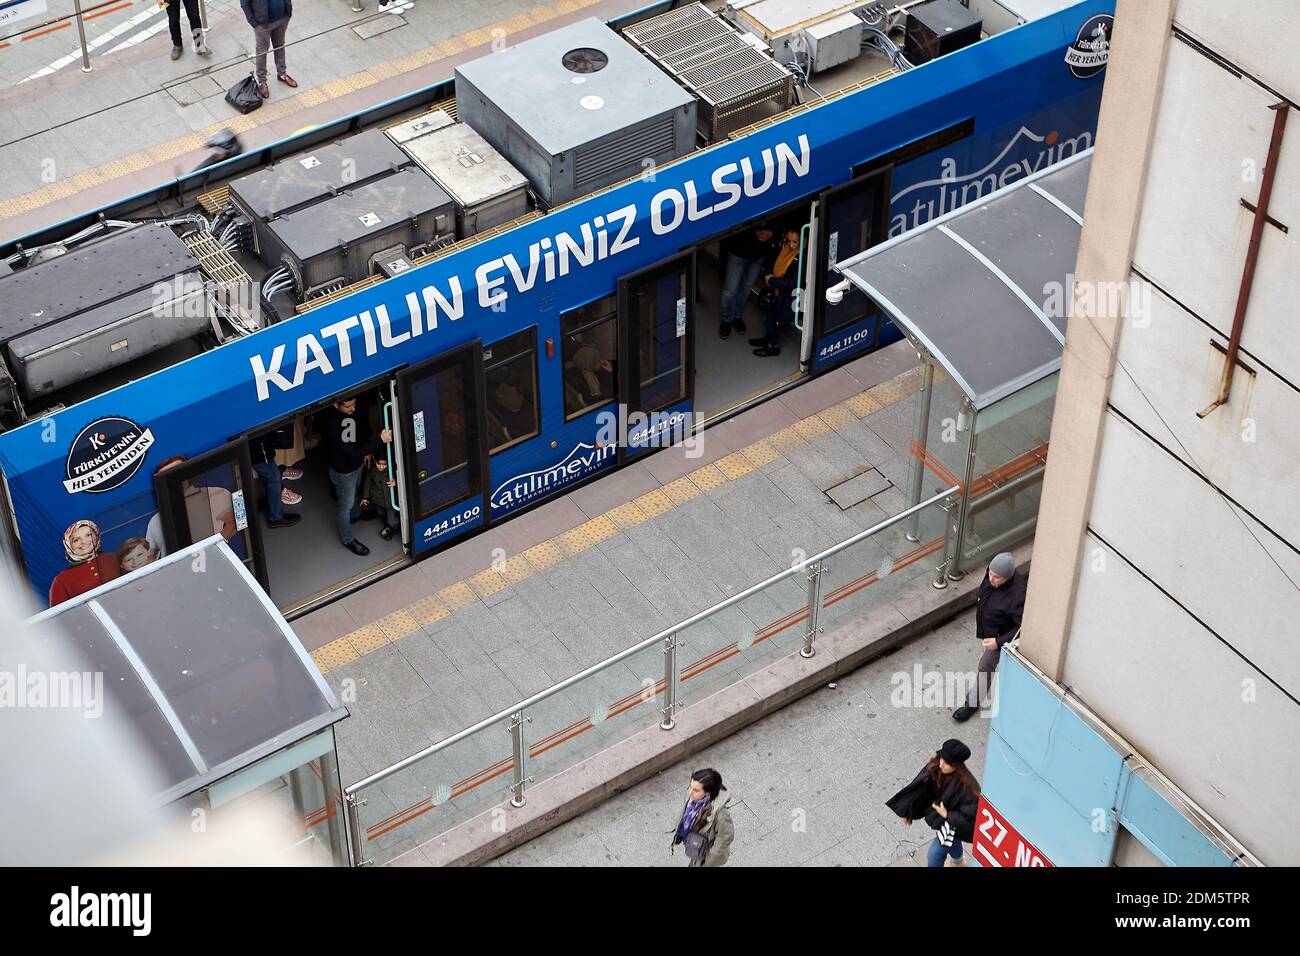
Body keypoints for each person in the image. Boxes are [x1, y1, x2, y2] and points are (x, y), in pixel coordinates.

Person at [952, 551, 1027, 722]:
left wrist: (998, 642)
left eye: (996, 578)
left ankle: (971, 704)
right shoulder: (993, 574)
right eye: (990, 574)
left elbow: (1022, 628)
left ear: (1008, 577)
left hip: (1001, 636)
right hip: (992, 630)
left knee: (985, 665)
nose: (991, 580)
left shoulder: (1017, 596)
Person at [886, 739, 981, 867]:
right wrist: (909, 812)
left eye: (947, 763)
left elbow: (970, 817)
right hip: (943, 818)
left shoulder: (968, 788)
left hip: (952, 823)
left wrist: (947, 814)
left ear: (956, 765)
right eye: (942, 758)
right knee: (953, 841)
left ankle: (957, 862)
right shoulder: (935, 765)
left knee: (934, 855)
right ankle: (958, 862)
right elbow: (919, 790)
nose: (942, 764)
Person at [319, 395, 392, 557]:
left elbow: (357, 433)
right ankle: (347, 539)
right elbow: (350, 454)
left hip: (357, 463)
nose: (352, 408)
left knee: (354, 491)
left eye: (354, 404)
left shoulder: (350, 411)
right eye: (348, 406)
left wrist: (365, 452)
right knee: (345, 504)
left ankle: (356, 515)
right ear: (336, 405)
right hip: (344, 471)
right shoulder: (330, 425)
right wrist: (380, 440)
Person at [145, 455, 237, 558]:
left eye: (177, 472)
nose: (173, 479)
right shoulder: (156, 520)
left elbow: (236, 524)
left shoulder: (215, 494)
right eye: (166, 476)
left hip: (214, 563)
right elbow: (150, 558)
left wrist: (208, 549)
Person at [718, 223, 775, 339]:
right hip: (738, 250)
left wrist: (772, 232)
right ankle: (726, 320)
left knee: (746, 287)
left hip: (759, 254)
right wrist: (756, 232)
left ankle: (737, 316)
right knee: (730, 290)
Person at [750, 229, 801, 357]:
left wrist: (773, 280)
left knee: (769, 319)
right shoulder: (786, 250)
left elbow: (795, 282)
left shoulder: (801, 258)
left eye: (794, 242)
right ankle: (768, 339)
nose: (791, 245)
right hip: (778, 292)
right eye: (789, 241)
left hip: (789, 296)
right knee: (769, 317)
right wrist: (769, 275)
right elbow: (774, 261)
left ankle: (773, 347)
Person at [670, 768, 735, 867]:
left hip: (705, 855)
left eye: (695, 790)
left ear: (708, 792)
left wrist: (709, 862)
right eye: (690, 787)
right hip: (696, 845)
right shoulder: (694, 799)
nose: (690, 792)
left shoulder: (721, 814)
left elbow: (725, 838)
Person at [48, 520, 120, 607]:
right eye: (76, 540)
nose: (83, 542)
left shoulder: (113, 558)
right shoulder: (61, 581)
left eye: (88, 535)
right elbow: (59, 618)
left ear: (96, 536)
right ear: (68, 545)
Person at [240, 0, 297, 101]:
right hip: (262, 25)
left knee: (280, 45)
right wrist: (253, 23)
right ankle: (262, 82)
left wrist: (288, 10)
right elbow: (244, 3)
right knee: (262, 52)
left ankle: (282, 74)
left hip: (282, 18)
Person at [250, 426, 302, 529]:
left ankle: (271, 501)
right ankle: (276, 518)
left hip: (253, 440)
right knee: (273, 477)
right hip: (257, 441)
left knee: (269, 474)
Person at [359, 456, 400, 542]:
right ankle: (387, 525)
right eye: (379, 464)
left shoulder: (394, 470)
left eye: (384, 464)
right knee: (380, 513)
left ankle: (391, 529)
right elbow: (367, 483)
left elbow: (403, 478)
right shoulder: (372, 471)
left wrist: (396, 481)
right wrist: (365, 497)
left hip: (391, 502)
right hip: (378, 500)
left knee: (392, 521)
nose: (381, 467)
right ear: (374, 461)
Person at [565, 346, 615, 410]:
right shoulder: (581, 378)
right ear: (589, 362)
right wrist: (610, 373)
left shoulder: (595, 371)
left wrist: (610, 371)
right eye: (596, 359)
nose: (601, 361)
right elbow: (611, 391)